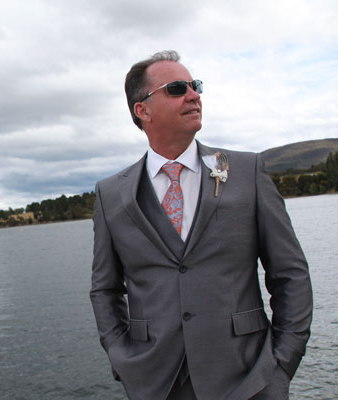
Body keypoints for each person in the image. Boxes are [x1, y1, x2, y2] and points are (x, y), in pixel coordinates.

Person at [89, 50, 313, 400]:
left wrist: (282, 364)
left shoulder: (247, 172)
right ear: (142, 110)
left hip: (250, 379)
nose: (194, 95)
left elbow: (290, 273)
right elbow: (105, 289)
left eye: (195, 86)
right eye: (177, 88)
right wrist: (122, 358)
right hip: (155, 383)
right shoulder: (110, 194)